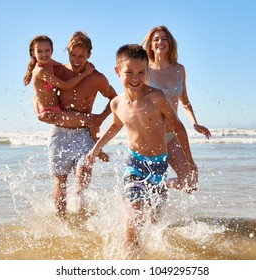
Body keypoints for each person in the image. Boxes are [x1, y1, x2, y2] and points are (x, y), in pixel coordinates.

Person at [86, 44, 197, 258]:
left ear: (147, 72)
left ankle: (150, 256)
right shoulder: (117, 103)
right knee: (134, 219)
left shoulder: (157, 97)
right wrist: (95, 150)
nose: (135, 77)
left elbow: (178, 127)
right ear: (118, 72)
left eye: (141, 72)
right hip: (134, 164)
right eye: (129, 72)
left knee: (155, 221)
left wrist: (190, 162)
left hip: (159, 164)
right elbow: (116, 125)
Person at [34, 32, 117, 216]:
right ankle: (62, 222)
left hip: (83, 134)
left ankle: (78, 207)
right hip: (59, 134)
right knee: (60, 182)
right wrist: (38, 112)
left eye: (81, 55)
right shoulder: (58, 71)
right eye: (73, 54)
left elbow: (115, 98)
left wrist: (100, 118)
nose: (77, 59)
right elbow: (37, 92)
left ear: (89, 55)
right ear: (68, 52)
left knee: (82, 178)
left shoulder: (96, 77)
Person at [142, 26, 211, 192]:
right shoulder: (144, 70)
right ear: (150, 45)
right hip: (150, 136)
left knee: (190, 183)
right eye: (156, 39)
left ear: (170, 43)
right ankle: (153, 187)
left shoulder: (179, 69)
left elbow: (185, 101)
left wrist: (194, 123)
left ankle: (160, 185)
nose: (160, 42)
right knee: (148, 197)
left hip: (172, 135)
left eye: (164, 38)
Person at [24, 35, 95, 133]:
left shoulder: (49, 62)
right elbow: (65, 85)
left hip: (57, 110)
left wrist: (84, 63)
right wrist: (85, 73)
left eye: (47, 50)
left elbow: (64, 66)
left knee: (89, 120)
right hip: (52, 113)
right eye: (39, 51)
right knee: (91, 120)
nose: (44, 54)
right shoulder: (40, 71)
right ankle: (97, 148)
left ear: (52, 51)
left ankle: (95, 147)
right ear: (33, 53)